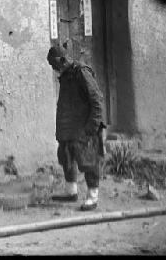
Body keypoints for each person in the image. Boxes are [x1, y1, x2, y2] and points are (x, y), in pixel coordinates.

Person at [47, 45, 106, 211]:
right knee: (66, 157)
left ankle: (92, 197)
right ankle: (71, 192)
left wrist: (92, 126)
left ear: (62, 60)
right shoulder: (66, 74)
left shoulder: (81, 72)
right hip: (69, 128)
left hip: (84, 127)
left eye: (54, 65)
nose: (53, 69)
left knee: (88, 161)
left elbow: (96, 99)